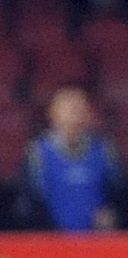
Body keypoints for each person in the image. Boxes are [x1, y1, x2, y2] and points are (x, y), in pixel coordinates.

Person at [24, 85, 124, 232]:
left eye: (79, 107)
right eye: (67, 107)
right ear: (52, 112)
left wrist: (115, 215)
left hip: (99, 242)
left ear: (89, 113)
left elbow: (119, 193)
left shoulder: (105, 150)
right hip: (52, 243)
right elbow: (30, 201)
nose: (73, 113)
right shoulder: (37, 153)